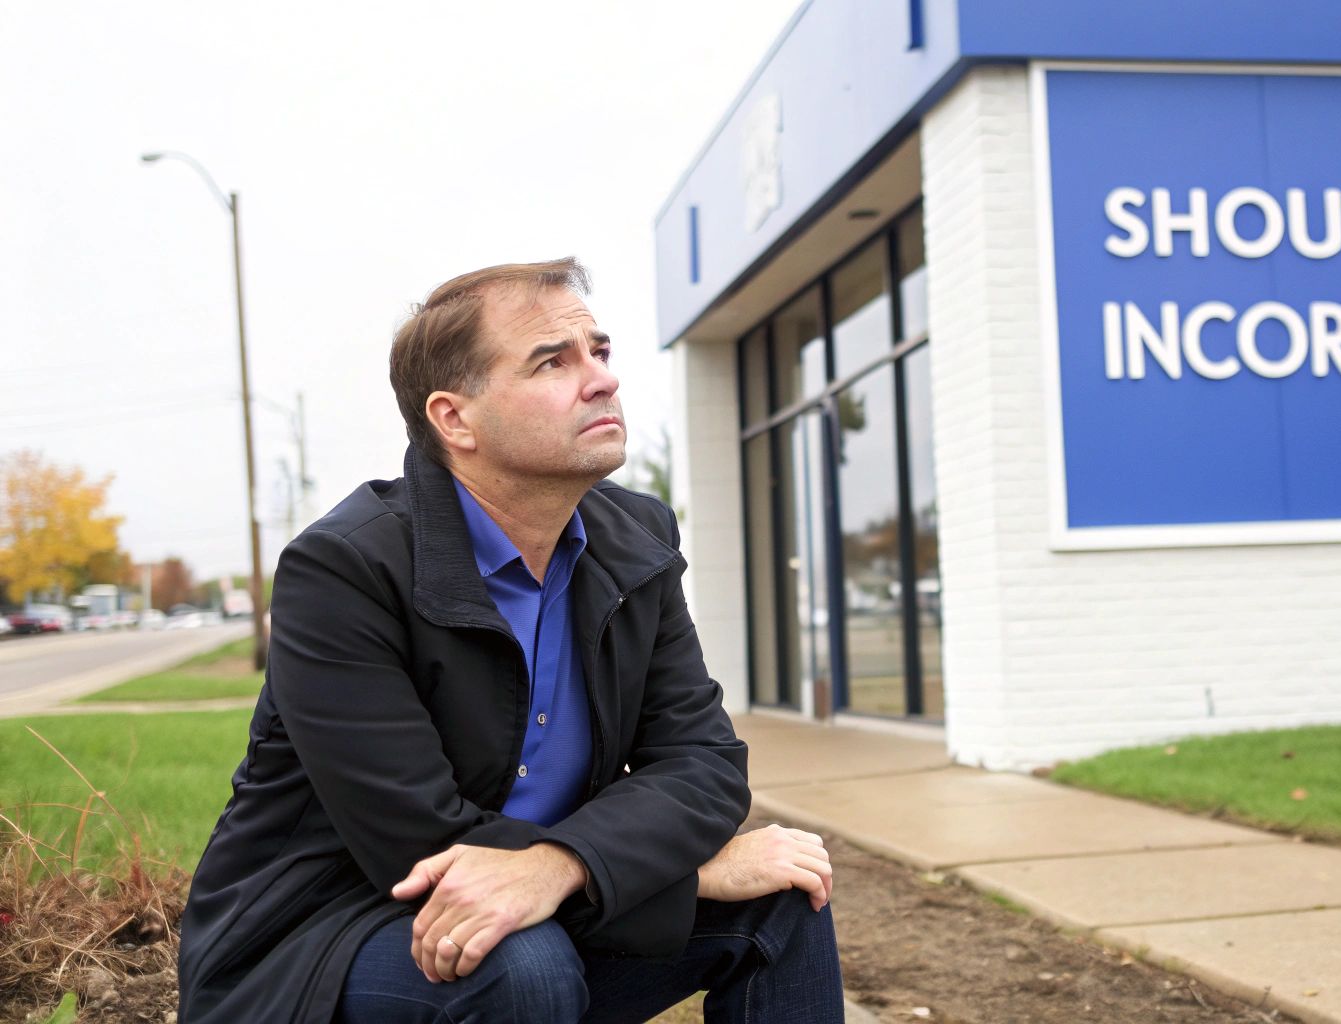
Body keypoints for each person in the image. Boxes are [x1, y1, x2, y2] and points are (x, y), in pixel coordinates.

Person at [177, 259, 843, 1023]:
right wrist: (663, 874)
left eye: (599, 351)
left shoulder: (637, 538)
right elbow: (420, 840)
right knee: (520, 964)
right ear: (454, 420)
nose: (602, 380)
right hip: (322, 937)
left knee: (784, 894)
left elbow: (704, 765)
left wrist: (562, 869)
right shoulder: (346, 569)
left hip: (541, 907)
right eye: (553, 362)